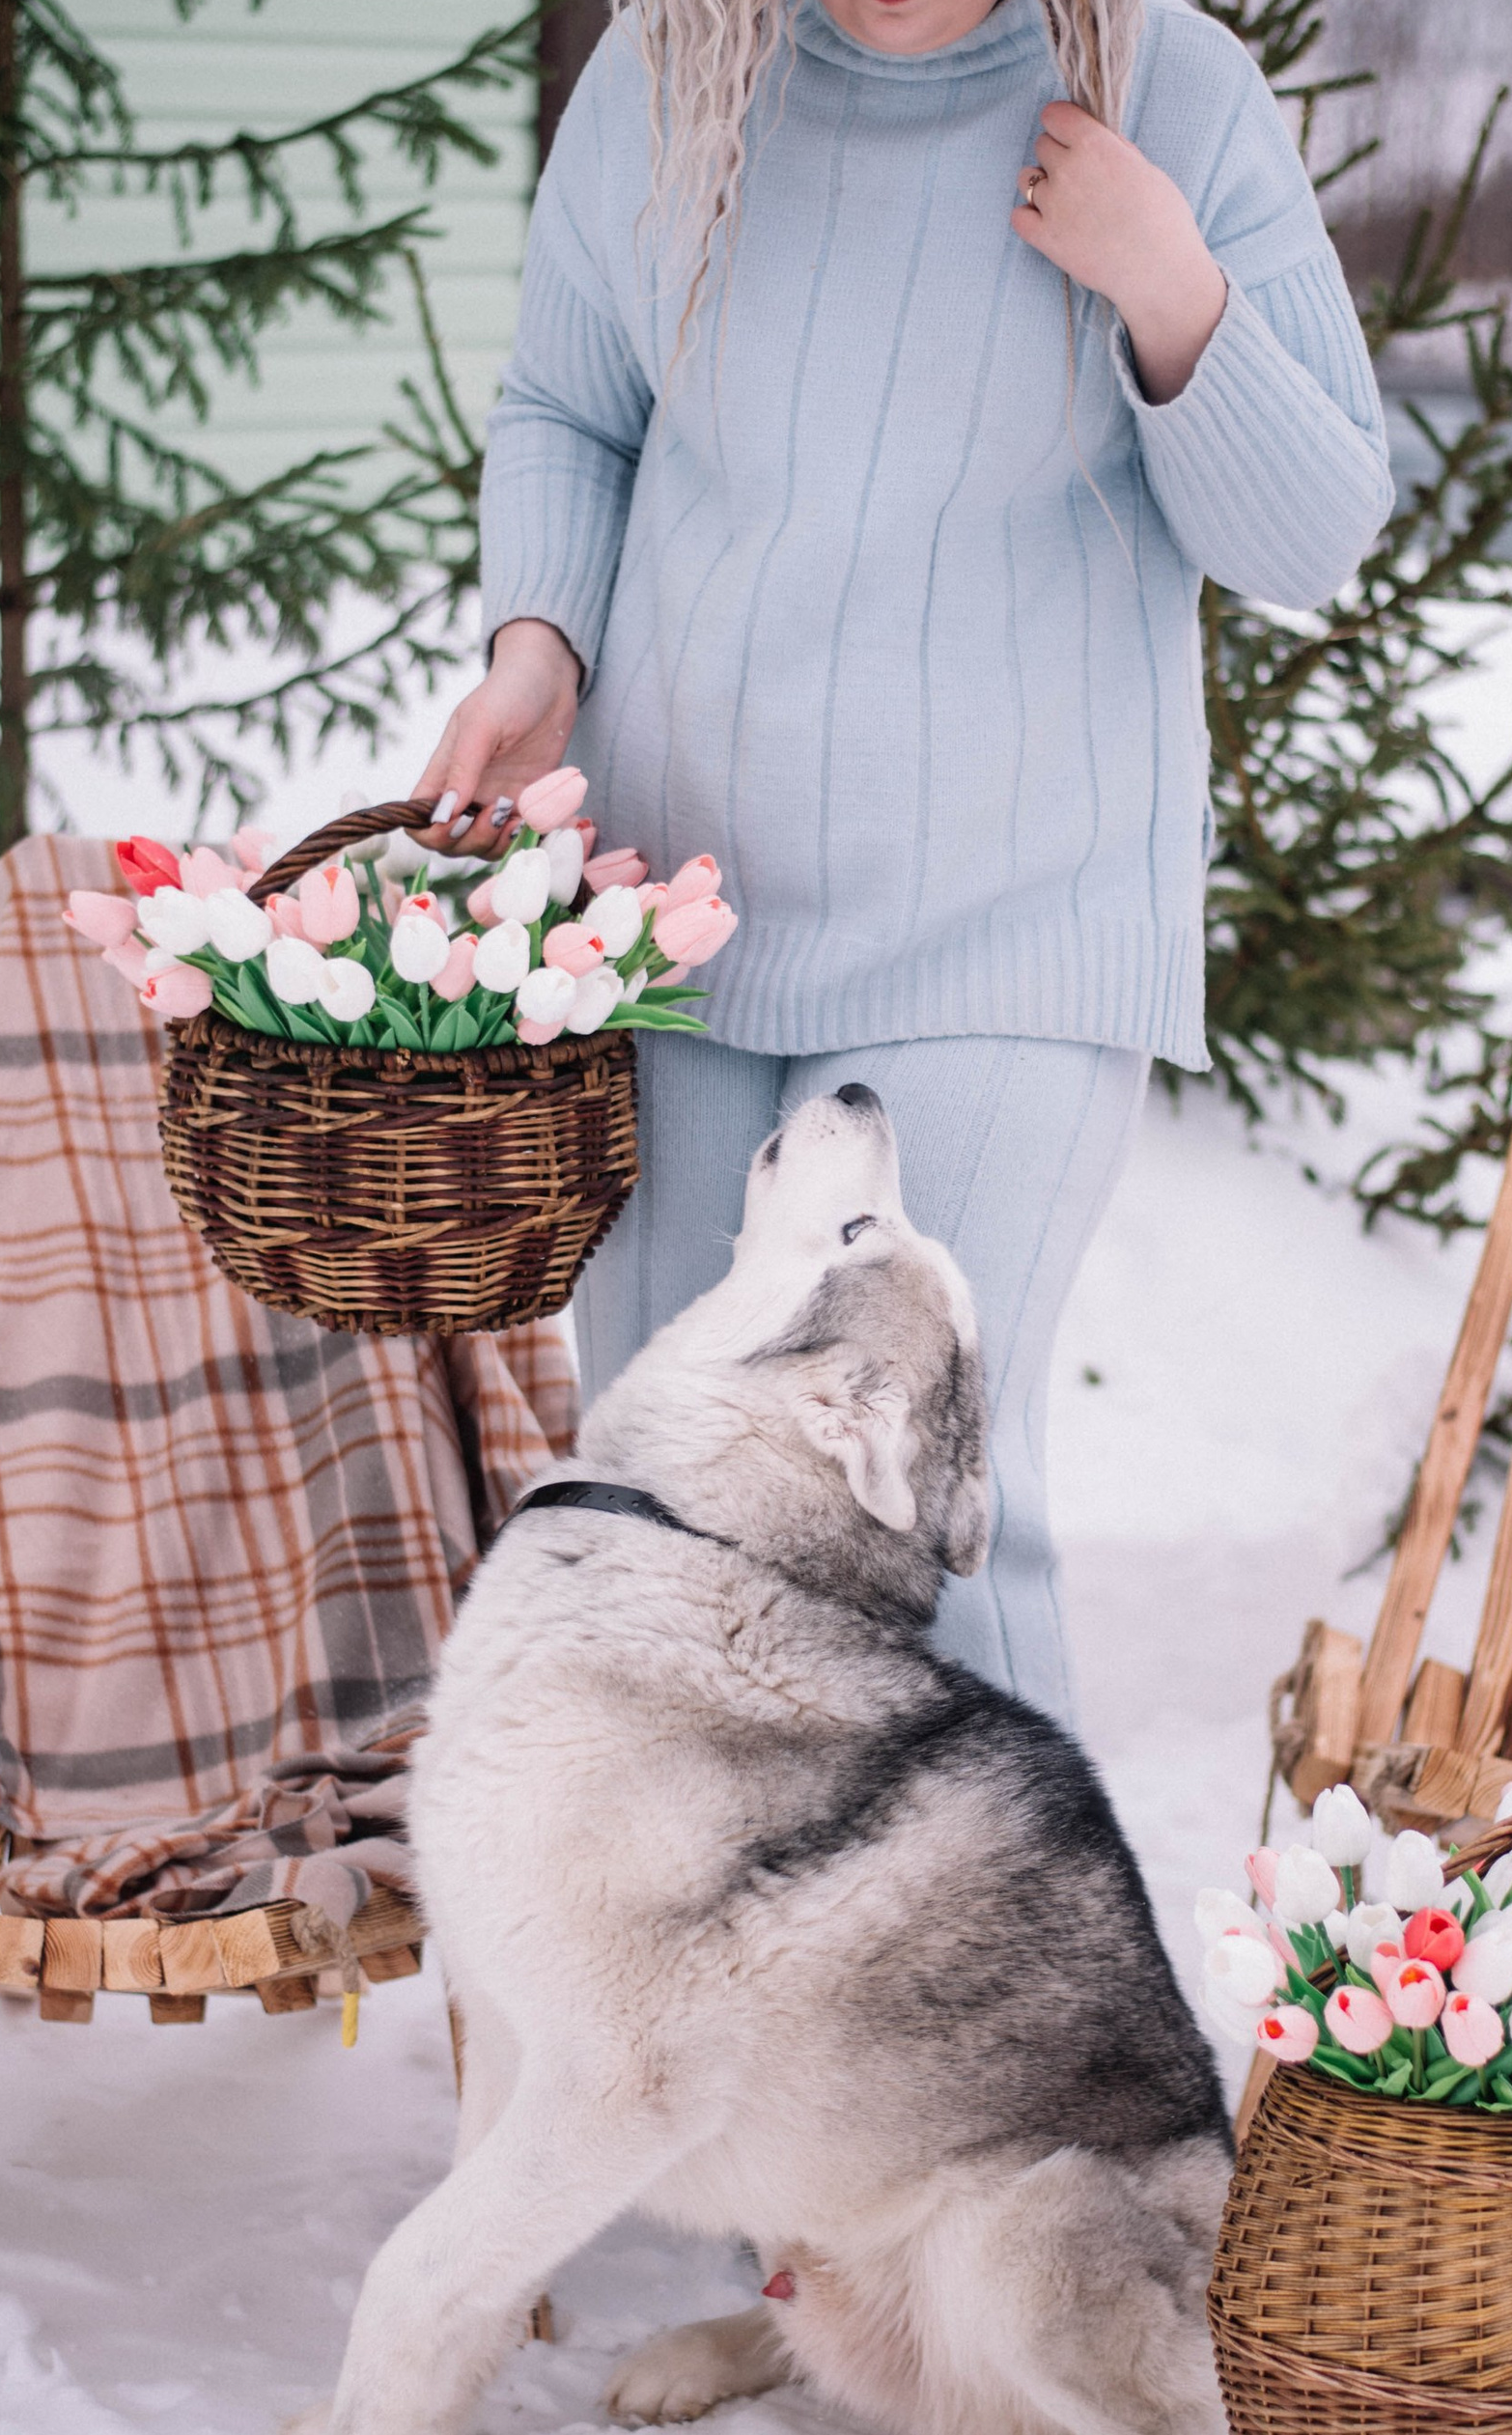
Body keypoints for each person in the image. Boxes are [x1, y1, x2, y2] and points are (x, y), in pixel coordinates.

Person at [406, 0, 1391, 1722]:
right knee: (663, 1492)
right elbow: (570, 406)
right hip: (677, 921)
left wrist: (1167, 280)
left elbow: (1312, 531)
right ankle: (691, 1985)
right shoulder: (668, 78)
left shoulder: (1162, 87)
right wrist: (540, 650)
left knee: (926, 1506)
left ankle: (1028, 2000)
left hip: (1018, 915)